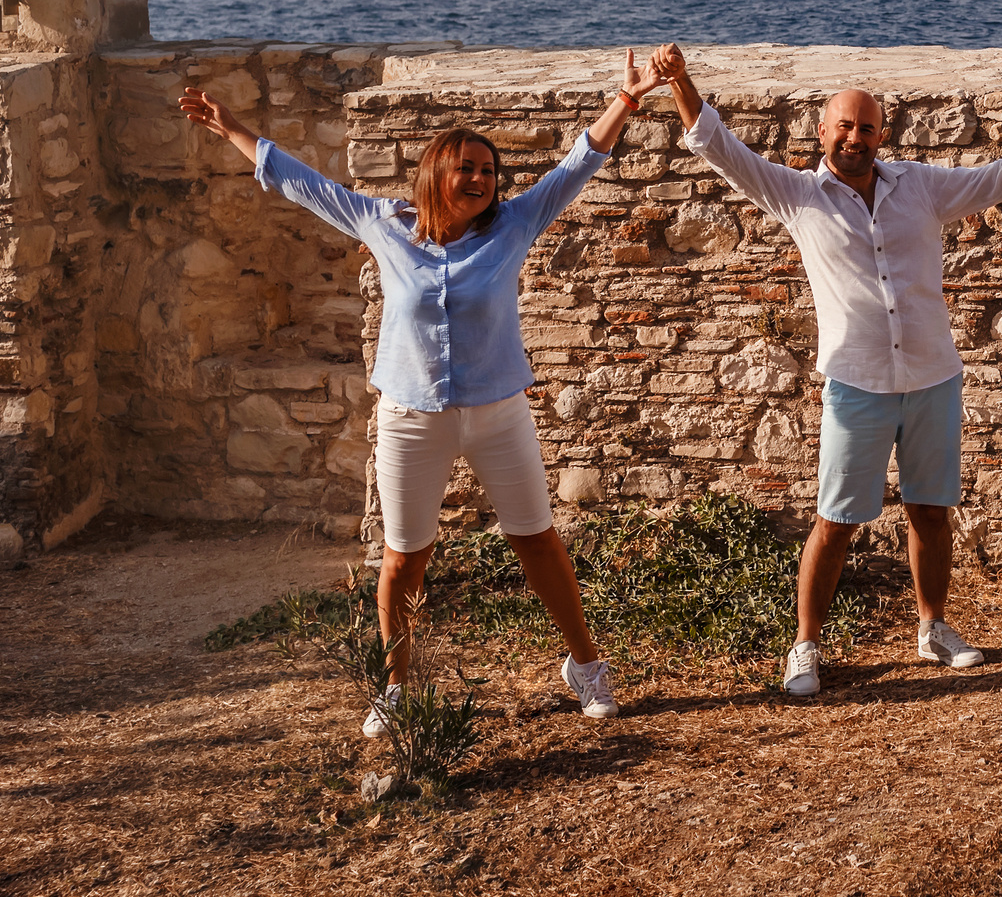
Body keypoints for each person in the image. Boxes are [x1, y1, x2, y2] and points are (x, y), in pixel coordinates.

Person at [177, 50, 661, 733]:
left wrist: (627, 98)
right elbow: (302, 182)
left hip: (498, 414)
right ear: (437, 172)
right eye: (467, 167)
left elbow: (577, 164)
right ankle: (395, 684)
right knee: (404, 556)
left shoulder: (513, 225)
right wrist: (233, 129)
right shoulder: (385, 224)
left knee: (538, 541)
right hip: (411, 417)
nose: (481, 179)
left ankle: (585, 664)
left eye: (489, 171)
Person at [646, 43, 1002, 698]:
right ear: (822, 133)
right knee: (836, 521)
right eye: (844, 125)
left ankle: (932, 629)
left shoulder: (919, 186)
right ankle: (805, 646)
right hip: (856, 384)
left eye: (867, 126)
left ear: (882, 135)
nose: (855, 136)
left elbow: (992, 177)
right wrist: (680, 82)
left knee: (930, 512)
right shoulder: (798, 195)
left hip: (932, 375)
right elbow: (719, 147)